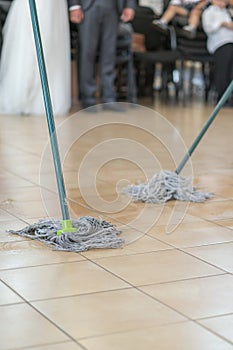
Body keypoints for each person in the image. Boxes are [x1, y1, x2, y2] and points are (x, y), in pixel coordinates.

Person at [0, 0, 71, 116]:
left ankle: (43, 99)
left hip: (53, 5)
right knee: (26, 45)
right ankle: (21, 96)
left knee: (51, 46)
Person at [68, 0, 136, 111]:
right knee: (87, 53)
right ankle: (88, 98)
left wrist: (129, 5)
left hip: (113, 6)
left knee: (109, 54)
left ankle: (109, 97)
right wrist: (74, 5)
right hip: (88, 6)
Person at [202, 0, 233, 105]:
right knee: (224, 67)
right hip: (220, 43)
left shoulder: (228, 12)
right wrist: (222, 24)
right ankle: (223, 98)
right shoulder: (209, 12)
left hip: (231, 42)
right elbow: (208, 28)